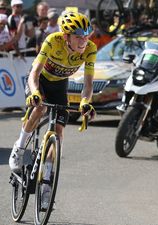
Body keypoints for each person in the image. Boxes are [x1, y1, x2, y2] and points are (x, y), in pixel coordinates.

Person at [8, 12, 96, 209]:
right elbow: (34, 73)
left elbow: (88, 84)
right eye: (78, 36)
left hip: (59, 87)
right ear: (66, 36)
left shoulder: (90, 48)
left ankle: (47, 181)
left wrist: (85, 102)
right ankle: (19, 149)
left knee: (59, 130)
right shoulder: (52, 41)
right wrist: (35, 93)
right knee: (39, 109)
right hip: (40, 82)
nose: (83, 41)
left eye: (86, 35)